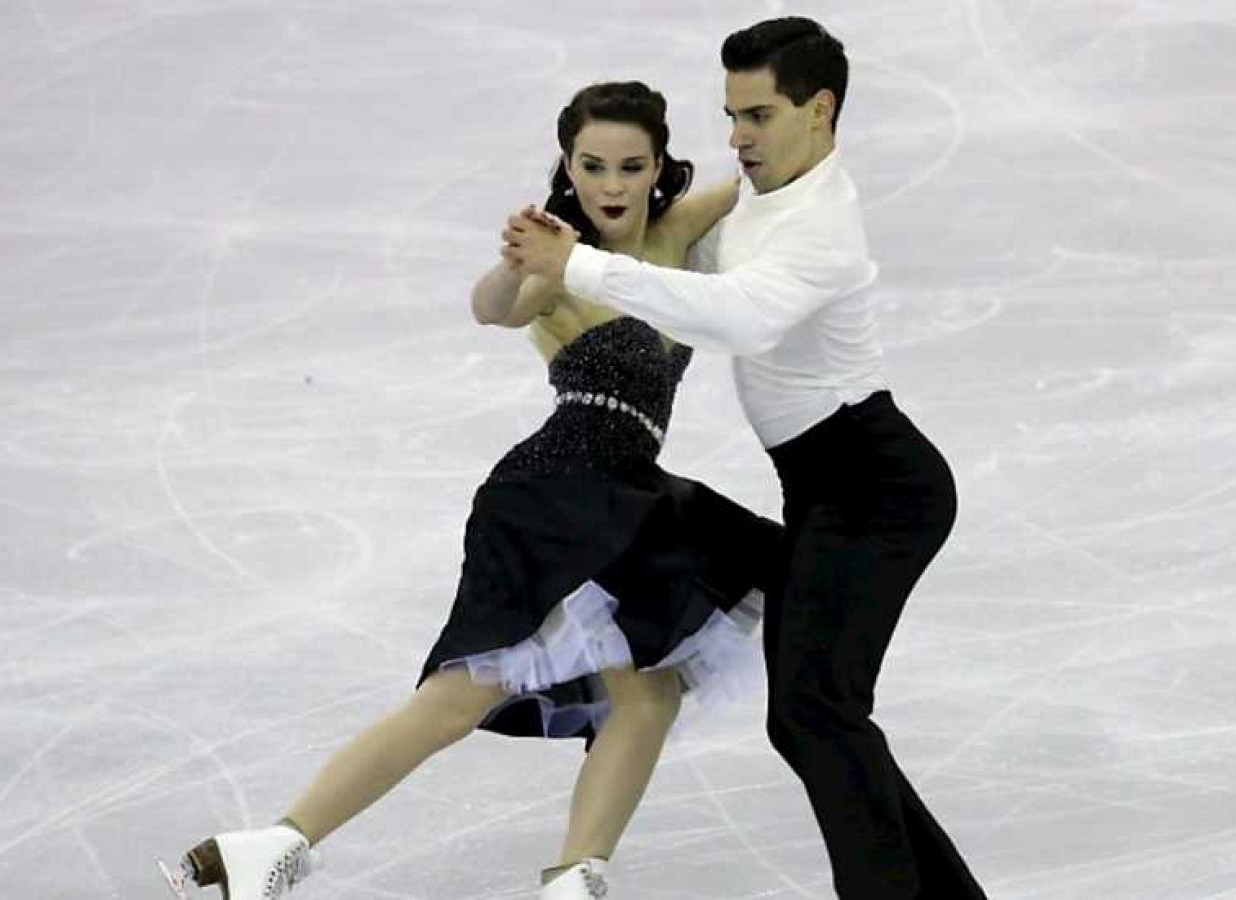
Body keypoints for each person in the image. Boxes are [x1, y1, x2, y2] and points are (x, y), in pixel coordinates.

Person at [161, 80, 784, 900]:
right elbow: (496, 308)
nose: (610, 185)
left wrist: (785, 127)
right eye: (592, 165)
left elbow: (758, 181)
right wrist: (515, 262)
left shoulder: (674, 232)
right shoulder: (558, 254)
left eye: (631, 167)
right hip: (553, 494)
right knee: (461, 698)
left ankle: (572, 878)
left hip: (627, 498)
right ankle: (275, 844)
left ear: (658, 167)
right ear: (569, 165)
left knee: (647, 691)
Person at [500, 18, 988, 900]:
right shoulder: (761, 198)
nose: (736, 138)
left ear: (820, 109)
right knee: (810, 718)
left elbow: (738, 318)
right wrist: (578, 242)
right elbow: (677, 273)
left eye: (758, 115)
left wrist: (580, 269)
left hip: (878, 488)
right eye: (731, 116)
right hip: (825, 489)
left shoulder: (822, 224)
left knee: (817, 711)